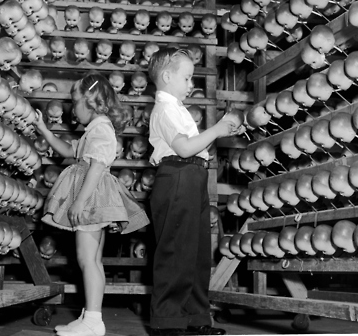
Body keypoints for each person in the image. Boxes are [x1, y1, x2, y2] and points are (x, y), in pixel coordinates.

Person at [35, 72, 150, 336]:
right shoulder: (95, 129)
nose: (72, 109)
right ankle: (90, 316)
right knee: (93, 260)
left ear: (91, 102)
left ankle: (94, 321)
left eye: (75, 103)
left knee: (86, 259)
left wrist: (79, 201)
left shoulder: (100, 129)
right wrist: (44, 131)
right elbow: (69, 151)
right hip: (94, 198)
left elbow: (97, 167)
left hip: (91, 199)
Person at [147, 48, 237, 336]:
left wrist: (220, 130)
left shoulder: (177, 109)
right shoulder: (164, 109)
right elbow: (184, 148)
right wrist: (217, 129)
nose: (191, 84)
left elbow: (194, 147)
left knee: (196, 252)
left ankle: (194, 316)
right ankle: (167, 320)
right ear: (166, 76)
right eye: (186, 78)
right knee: (176, 251)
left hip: (193, 176)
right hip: (178, 176)